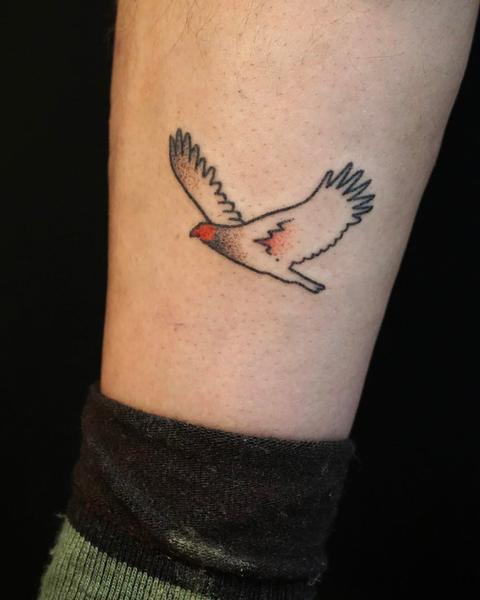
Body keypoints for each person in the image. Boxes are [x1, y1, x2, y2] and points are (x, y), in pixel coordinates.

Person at [38, 1, 479, 598]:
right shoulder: (222, 230)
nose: (201, 232)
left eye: (205, 231)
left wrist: (165, 560)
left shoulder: (255, 235)